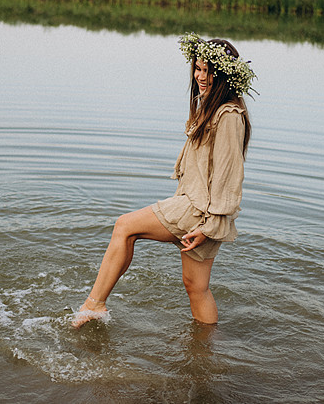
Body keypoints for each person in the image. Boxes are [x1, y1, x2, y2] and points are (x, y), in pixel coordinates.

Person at [72, 33, 255, 328]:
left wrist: (210, 227)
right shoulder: (210, 107)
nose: (201, 77)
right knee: (196, 288)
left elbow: (229, 176)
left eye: (209, 71)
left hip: (200, 211)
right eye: (198, 69)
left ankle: (94, 305)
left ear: (224, 74)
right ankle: (206, 352)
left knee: (125, 226)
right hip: (198, 207)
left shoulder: (228, 114)